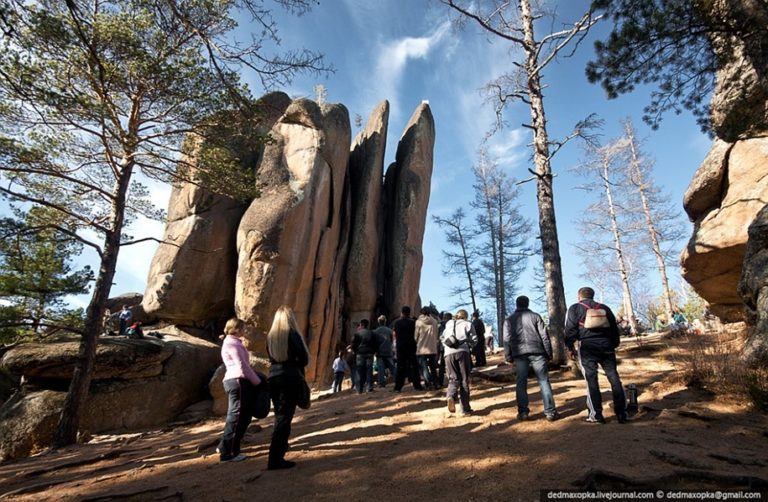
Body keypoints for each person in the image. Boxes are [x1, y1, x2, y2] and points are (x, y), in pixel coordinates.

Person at [565, 287, 628, 424]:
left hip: (587, 346)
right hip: (606, 345)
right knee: (614, 377)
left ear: (579, 296)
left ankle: (596, 415)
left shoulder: (575, 308)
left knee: (591, 379)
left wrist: (570, 347)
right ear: (592, 296)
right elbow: (613, 328)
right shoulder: (604, 307)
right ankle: (622, 413)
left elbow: (570, 329)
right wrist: (614, 344)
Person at [266, 305, 310, 470]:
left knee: (279, 415)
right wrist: (294, 365)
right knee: (285, 417)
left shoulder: (271, 337)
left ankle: (280, 448)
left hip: (273, 378)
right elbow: (304, 359)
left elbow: (271, 358)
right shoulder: (293, 334)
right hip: (289, 378)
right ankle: (275, 458)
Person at [503, 295, 558, 421]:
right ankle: (550, 412)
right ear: (527, 304)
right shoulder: (536, 316)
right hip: (537, 351)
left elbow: (506, 339)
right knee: (543, 381)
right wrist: (549, 353)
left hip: (519, 354)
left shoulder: (509, 320)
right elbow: (544, 336)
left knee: (521, 382)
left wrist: (508, 356)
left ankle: (523, 412)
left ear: (517, 304)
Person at [217, 318, 261, 463]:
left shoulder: (232, 342)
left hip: (236, 381)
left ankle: (225, 445)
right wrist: (257, 382)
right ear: (236, 329)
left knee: (244, 416)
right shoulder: (233, 344)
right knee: (236, 417)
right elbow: (242, 366)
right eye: (243, 328)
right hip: (238, 381)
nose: (245, 330)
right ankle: (228, 453)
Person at [441, 309, 478, 416]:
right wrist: (469, 345)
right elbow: (474, 340)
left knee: (453, 378)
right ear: (465, 316)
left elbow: (442, 338)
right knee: (464, 380)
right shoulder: (468, 324)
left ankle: (451, 396)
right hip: (462, 352)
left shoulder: (448, 324)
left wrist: (448, 346)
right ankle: (465, 409)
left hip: (448, 354)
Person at [392, 306, 424, 392]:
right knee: (414, 365)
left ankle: (398, 387)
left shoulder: (397, 322)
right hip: (411, 346)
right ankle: (417, 386)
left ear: (401, 312)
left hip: (400, 346)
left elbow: (394, 334)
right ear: (409, 313)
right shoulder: (414, 322)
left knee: (400, 366)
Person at [351, 318, 378, 393]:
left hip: (360, 354)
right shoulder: (372, 333)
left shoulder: (357, 334)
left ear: (361, 324)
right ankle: (369, 387)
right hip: (370, 354)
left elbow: (353, 344)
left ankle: (359, 389)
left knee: (359, 370)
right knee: (369, 370)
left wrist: (354, 351)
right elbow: (375, 343)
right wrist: (374, 351)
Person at [415, 307, 439, 390]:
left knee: (424, 368)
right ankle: (436, 383)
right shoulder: (435, 321)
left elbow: (416, 336)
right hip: (432, 347)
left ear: (421, 313)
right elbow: (436, 334)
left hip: (422, 348)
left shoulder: (418, 322)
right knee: (433, 367)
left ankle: (428, 384)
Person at [374, 315, 396, 387]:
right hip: (388, 351)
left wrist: (375, 351)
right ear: (385, 322)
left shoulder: (375, 331)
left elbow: (375, 342)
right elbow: (392, 340)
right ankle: (397, 379)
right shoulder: (389, 330)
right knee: (392, 366)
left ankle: (381, 383)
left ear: (378, 322)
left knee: (381, 368)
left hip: (379, 352)